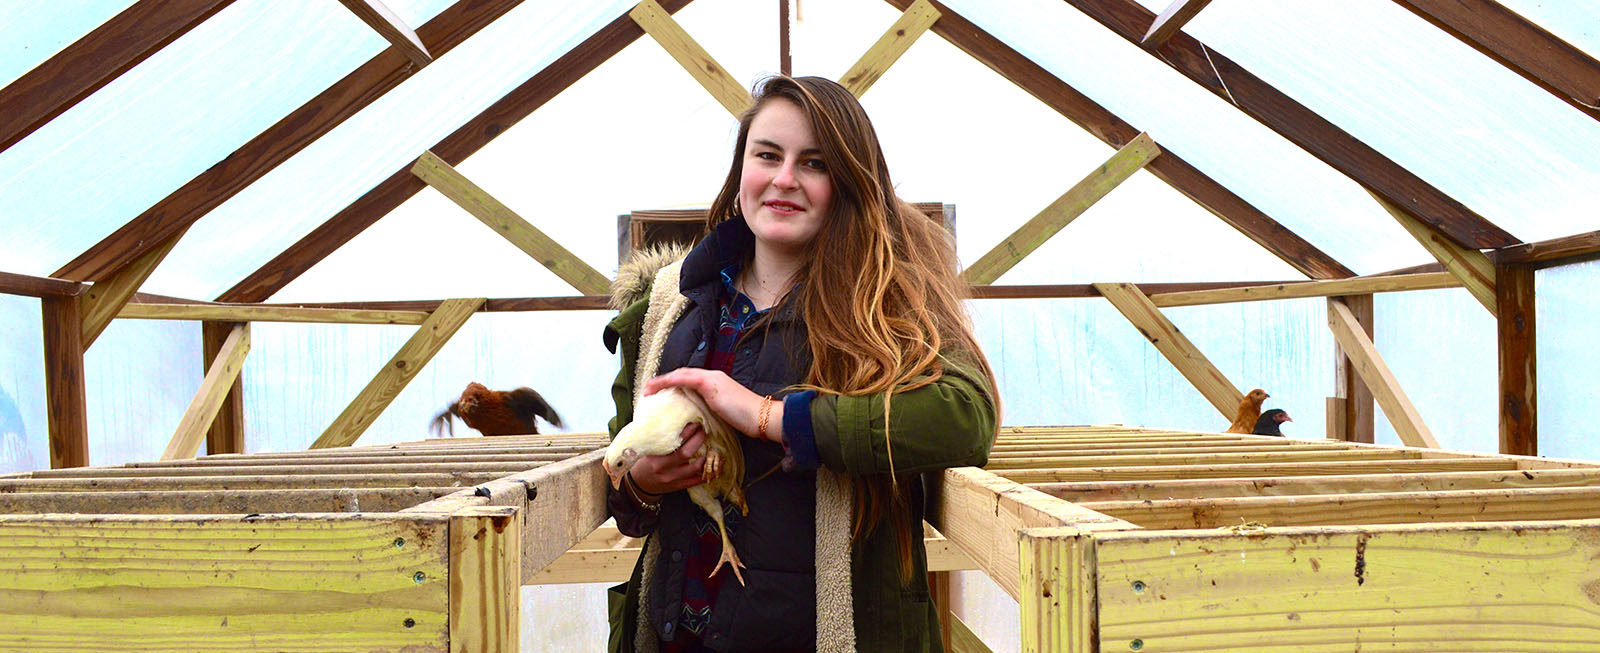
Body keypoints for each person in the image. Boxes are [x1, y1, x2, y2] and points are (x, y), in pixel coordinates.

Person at [602, 75, 999, 652]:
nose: (784, 178)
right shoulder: (666, 308)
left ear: (849, 183)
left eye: (813, 162)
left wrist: (768, 416)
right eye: (767, 155)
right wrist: (641, 484)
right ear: (742, 170)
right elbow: (624, 498)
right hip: (676, 635)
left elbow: (966, 417)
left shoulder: (888, 306)